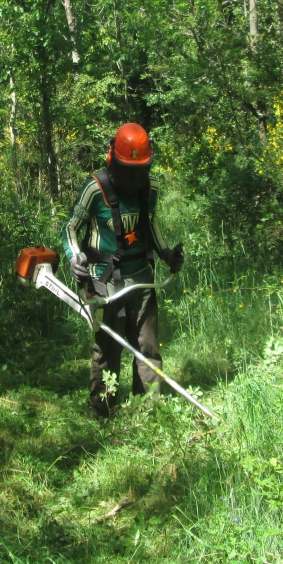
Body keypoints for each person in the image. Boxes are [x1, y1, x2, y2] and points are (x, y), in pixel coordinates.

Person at [61, 123, 184, 418]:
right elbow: (70, 228)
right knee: (108, 348)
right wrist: (75, 257)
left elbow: (151, 225)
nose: (132, 178)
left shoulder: (150, 188)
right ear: (112, 160)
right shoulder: (95, 188)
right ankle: (103, 411)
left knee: (148, 347)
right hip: (105, 282)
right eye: (127, 170)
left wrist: (167, 254)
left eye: (138, 170)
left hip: (142, 279)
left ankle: (148, 411)